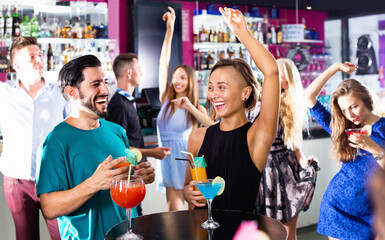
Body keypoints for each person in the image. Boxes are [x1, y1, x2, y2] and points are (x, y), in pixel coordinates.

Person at [36, 55, 155, 240]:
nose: (106, 90)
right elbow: (49, 208)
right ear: (72, 92)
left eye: (105, 82)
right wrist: (93, 184)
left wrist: (139, 175)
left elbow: (123, 182)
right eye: (95, 84)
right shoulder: (55, 142)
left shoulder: (117, 131)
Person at [183, 7, 280, 213]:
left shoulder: (257, 136)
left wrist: (242, 34)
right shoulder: (197, 137)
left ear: (245, 93)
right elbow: (188, 189)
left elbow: (271, 72)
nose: (213, 94)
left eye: (222, 87)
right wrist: (187, 192)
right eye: (210, 87)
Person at [303, 62, 385, 240]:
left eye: (354, 106)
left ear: (367, 100)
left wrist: (372, 146)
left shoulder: (383, 128)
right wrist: (334, 68)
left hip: (373, 214)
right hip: (337, 208)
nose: (350, 115)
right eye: (344, 110)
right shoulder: (342, 129)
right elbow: (308, 96)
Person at [0, 36, 68, 240]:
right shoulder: (4, 94)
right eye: (32, 56)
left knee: (62, 236)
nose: (39, 59)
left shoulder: (60, 92)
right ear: (17, 64)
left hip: (54, 180)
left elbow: (74, 130)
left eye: (40, 55)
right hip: (17, 182)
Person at [255, 58, 319, 240]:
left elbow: (296, 148)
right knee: (263, 231)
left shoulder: (291, 107)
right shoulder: (254, 103)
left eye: (278, 76)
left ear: (287, 83)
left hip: (285, 172)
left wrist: (305, 162)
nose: (272, 78)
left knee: (287, 233)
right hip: (260, 170)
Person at [157, 6, 214, 211]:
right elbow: (163, 63)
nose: (177, 81)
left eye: (182, 77)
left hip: (185, 159)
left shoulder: (194, 105)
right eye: (175, 76)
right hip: (166, 157)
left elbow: (212, 125)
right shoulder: (165, 97)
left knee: (191, 212)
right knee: (173, 212)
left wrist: (190, 107)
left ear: (190, 80)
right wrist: (170, 30)